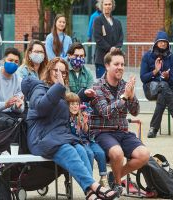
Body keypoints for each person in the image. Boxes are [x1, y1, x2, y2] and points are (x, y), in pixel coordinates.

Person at [21, 57, 118, 200]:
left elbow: (64, 106)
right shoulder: (39, 88)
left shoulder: (60, 91)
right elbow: (41, 107)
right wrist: (59, 86)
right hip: (40, 138)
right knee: (69, 150)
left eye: (63, 72)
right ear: (49, 71)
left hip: (57, 136)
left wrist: (82, 95)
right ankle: (96, 187)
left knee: (81, 149)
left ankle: (89, 193)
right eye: (56, 70)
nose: (59, 74)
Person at [89, 48, 150, 197]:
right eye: (116, 64)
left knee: (144, 154)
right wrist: (124, 97)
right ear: (107, 66)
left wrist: (132, 96)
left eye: (122, 64)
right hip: (102, 132)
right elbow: (106, 112)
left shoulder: (125, 85)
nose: (120, 67)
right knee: (117, 154)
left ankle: (114, 177)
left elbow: (135, 111)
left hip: (122, 131)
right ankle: (117, 184)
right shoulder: (97, 87)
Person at [140, 31, 173, 138]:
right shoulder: (147, 56)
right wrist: (155, 71)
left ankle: (153, 129)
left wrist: (166, 77)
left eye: (165, 42)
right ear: (156, 43)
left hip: (164, 90)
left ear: (167, 44)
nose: (163, 44)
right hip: (150, 89)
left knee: (163, 94)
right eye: (160, 42)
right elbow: (143, 78)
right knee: (163, 85)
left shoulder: (170, 57)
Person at [65, 92, 108, 187]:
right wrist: (79, 127)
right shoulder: (67, 118)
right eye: (72, 104)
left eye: (77, 104)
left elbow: (85, 131)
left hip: (88, 140)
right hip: (79, 142)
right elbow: (75, 134)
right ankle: (90, 181)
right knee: (90, 154)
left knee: (101, 153)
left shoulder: (80, 115)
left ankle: (103, 178)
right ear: (66, 105)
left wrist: (84, 124)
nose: (75, 106)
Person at [93, 0, 123, 78]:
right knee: (102, 86)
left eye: (109, 4)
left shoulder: (117, 22)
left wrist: (116, 48)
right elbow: (98, 38)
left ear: (112, 6)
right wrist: (110, 48)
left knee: (115, 85)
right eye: (105, 4)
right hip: (101, 60)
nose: (107, 6)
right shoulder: (98, 20)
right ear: (101, 5)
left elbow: (121, 38)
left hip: (115, 61)